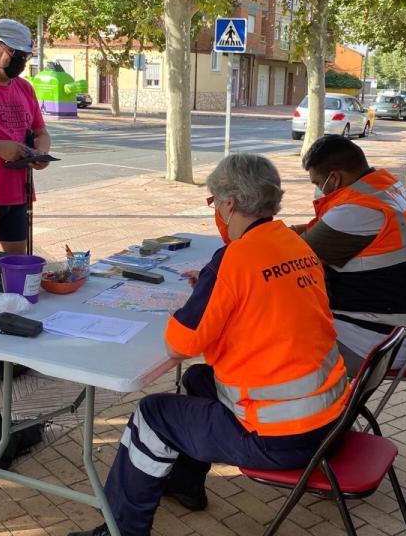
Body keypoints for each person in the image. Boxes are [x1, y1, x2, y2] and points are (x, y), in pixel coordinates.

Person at [71, 154, 348, 536]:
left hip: (278, 436)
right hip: (330, 421)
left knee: (152, 414)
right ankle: (186, 483)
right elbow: (273, 305)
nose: (216, 211)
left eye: (214, 202)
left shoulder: (233, 260)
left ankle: (123, 531)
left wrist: (204, 295)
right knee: (202, 378)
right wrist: (215, 291)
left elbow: (180, 345)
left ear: (230, 204)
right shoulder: (295, 245)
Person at [295, 134, 406, 375]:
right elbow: (315, 231)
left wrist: (254, 240)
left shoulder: (358, 210)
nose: (318, 191)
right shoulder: (383, 186)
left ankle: (323, 411)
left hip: (378, 342)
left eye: (318, 183)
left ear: (334, 178)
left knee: (267, 341)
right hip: (393, 327)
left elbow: (294, 258)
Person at [0, 18, 52, 255]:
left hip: (18, 193)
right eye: (13, 53)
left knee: (17, 263)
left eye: (24, 56)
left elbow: (41, 132)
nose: (19, 61)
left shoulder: (24, 88)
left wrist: (40, 152)